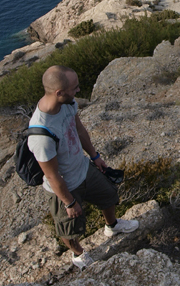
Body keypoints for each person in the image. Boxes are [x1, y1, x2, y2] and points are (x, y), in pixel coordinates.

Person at [27, 65, 138, 269]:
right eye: (75, 88)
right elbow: (52, 176)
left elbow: (78, 129)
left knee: (108, 194)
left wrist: (95, 157)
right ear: (59, 92)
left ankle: (112, 226)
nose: (78, 91)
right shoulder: (41, 134)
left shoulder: (67, 104)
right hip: (64, 186)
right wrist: (69, 203)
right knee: (69, 228)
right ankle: (78, 254)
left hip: (84, 169)